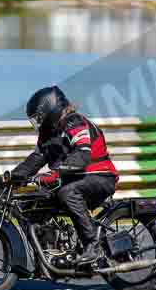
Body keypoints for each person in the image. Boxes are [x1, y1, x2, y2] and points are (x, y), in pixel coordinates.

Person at [11, 86, 118, 263]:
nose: (37, 124)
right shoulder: (48, 135)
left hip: (100, 176)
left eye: (38, 118)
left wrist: (55, 174)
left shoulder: (74, 122)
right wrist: (11, 178)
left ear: (49, 109)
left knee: (67, 192)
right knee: (30, 204)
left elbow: (82, 155)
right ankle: (47, 256)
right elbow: (36, 159)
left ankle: (93, 244)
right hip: (73, 178)